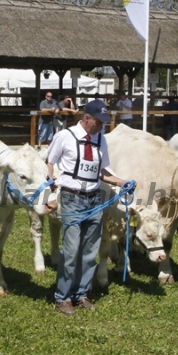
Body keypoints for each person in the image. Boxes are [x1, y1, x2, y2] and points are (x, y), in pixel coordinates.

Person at [45, 99, 126, 316]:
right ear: (87, 118)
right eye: (99, 122)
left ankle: (81, 294)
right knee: (71, 251)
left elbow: (102, 171)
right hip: (72, 198)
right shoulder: (65, 136)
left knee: (90, 251)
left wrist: (121, 182)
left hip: (94, 199)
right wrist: (50, 178)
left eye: (104, 123)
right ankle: (63, 297)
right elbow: (49, 161)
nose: (102, 126)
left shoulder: (101, 139)